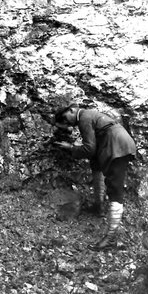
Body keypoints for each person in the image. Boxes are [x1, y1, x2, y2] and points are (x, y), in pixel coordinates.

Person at [52, 105, 138, 250]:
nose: (68, 123)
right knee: (96, 166)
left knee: (115, 191)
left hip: (117, 146)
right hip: (116, 143)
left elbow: (89, 148)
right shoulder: (89, 115)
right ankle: (99, 206)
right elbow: (94, 151)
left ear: (72, 110)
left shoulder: (83, 118)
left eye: (66, 118)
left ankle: (111, 238)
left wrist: (70, 147)